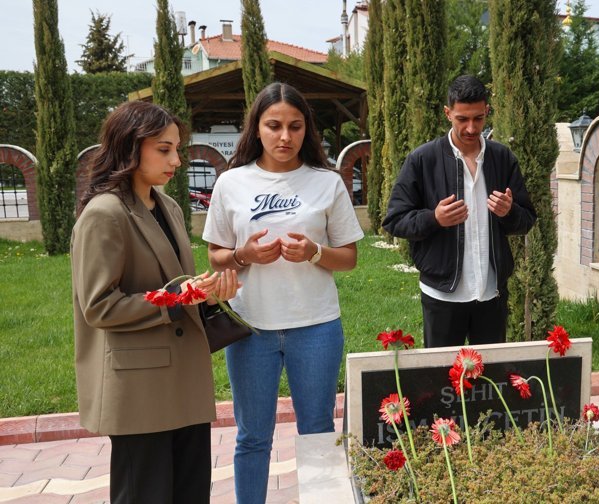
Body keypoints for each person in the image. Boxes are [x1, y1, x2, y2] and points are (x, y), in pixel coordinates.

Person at [203, 82, 364, 504]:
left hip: (316, 327)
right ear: (256, 128)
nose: (284, 136)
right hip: (250, 327)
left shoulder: (327, 183)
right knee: (252, 436)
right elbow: (216, 257)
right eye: (273, 125)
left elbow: (349, 258)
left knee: (318, 432)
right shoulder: (231, 183)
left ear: (306, 129)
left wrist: (314, 253)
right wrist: (244, 254)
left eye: (295, 126)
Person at [71, 100, 240, 503]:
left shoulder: (170, 208)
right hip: (139, 389)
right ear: (130, 147)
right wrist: (179, 299)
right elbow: (99, 305)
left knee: (190, 493)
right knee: (144, 495)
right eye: (164, 149)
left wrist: (207, 293)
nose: (176, 161)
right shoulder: (104, 214)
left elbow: (178, 285)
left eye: (176, 149)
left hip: (184, 379)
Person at [383, 75, 536, 348]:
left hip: (491, 294)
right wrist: (434, 218)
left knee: (490, 373)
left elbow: (526, 220)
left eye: (478, 118)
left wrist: (509, 212)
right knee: (441, 373)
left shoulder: (503, 158)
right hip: (441, 295)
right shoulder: (422, 159)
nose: (471, 128)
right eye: (462, 119)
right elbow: (395, 220)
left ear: (487, 111)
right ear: (448, 113)